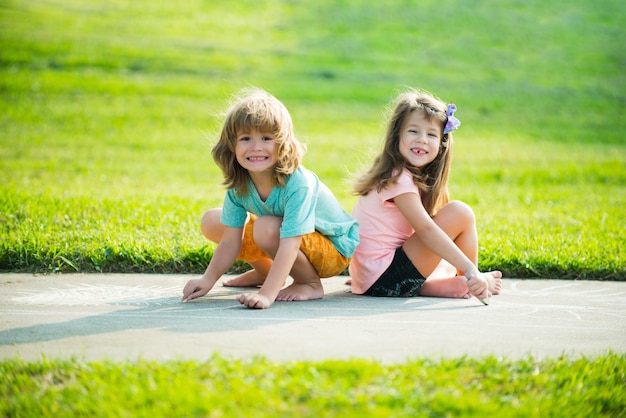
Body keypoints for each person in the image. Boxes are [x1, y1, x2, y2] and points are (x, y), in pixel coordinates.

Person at [182, 88, 359, 309]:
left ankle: (309, 283)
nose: (256, 147)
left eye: (266, 138)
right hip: (286, 238)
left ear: (282, 143)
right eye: (245, 138)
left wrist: (267, 295)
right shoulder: (240, 183)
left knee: (266, 227)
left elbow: (291, 242)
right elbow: (230, 241)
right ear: (231, 145)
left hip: (333, 248)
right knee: (214, 221)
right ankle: (265, 273)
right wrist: (207, 280)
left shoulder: (298, 183)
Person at [348, 89, 502, 303]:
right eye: (413, 131)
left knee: (447, 254)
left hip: (375, 278)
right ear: (397, 135)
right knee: (461, 213)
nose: (422, 140)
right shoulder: (398, 178)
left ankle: (445, 283)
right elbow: (426, 230)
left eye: (431, 134)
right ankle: (473, 280)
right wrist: (468, 268)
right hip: (384, 278)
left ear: (441, 145)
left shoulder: (405, 175)